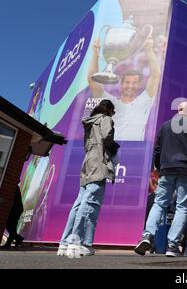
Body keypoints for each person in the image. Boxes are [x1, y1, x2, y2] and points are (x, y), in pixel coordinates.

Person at [134, 102, 187, 257]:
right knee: (182, 207)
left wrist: (161, 168)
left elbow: (157, 151)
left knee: (159, 203)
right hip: (186, 169)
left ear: (179, 110)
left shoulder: (165, 126)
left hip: (166, 170)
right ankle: (172, 245)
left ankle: (147, 236)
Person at [57, 99, 118, 258]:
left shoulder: (89, 123)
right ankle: (79, 243)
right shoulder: (105, 119)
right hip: (99, 162)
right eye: (113, 111)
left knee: (79, 203)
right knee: (91, 202)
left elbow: (87, 145)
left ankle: (65, 243)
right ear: (109, 110)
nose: (113, 114)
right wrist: (113, 147)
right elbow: (107, 138)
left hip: (88, 162)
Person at [87, 35, 161, 141]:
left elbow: (156, 76)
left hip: (134, 150)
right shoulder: (109, 102)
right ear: (121, 84)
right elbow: (92, 80)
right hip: (110, 151)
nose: (130, 85)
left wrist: (149, 50)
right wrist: (95, 54)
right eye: (127, 82)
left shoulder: (144, 100)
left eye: (134, 83)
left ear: (139, 85)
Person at [0, 184, 24, 249]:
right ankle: (18, 238)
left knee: (11, 225)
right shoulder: (14, 187)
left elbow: (10, 198)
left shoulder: (14, 187)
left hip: (16, 209)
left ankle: (10, 242)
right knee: (10, 226)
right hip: (14, 208)